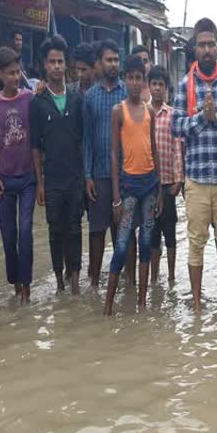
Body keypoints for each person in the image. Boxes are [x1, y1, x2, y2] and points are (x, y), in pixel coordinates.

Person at [171, 18, 217, 310]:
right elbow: (175, 128)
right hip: (197, 180)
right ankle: (199, 306)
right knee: (196, 243)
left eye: (211, 44)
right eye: (202, 45)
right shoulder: (183, 86)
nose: (207, 49)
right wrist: (203, 117)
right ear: (195, 48)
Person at [104, 54, 162, 316]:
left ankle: (141, 302)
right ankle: (107, 306)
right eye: (131, 78)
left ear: (145, 82)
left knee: (147, 240)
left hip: (150, 184)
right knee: (122, 243)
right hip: (128, 185)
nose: (136, 83)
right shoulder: (119, 111)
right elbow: (114, 154)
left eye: (140, 79)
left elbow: (154, 149)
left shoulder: (150, 111)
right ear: (125, 80)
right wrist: (116, 196)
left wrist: (159, 187)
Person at [30, 35, 85, 295]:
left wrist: (86, 177)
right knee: (55, 231)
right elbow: (35, 146)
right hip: (51, 179)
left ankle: (75, 280)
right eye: (51, 62)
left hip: (75, 177)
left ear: (67, 64)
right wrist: (40, 183)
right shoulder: (37, 102)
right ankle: (59, 282)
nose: (56, 67)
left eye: (60, 61)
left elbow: (83, 140)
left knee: (75, 228)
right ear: (44, 65)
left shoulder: (76, 99)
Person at [0, 46, 36, 303]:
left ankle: (26, 286)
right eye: (10, 73)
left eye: (18, 72)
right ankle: (15, 284)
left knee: (26, 230)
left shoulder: (29, 98)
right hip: (5, 178)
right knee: (8, 234)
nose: (15, 77)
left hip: (28, 177)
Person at [83, 39, 130, 289]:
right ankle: (93, 283)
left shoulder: (127, 93)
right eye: (108, 60)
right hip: (99, 175)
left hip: (126, 174)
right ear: (99, 63)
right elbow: (87, 140)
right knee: (97, 231)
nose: (113, 64)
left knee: (125, 233)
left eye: (116, 60)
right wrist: (87, 175)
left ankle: (129, 282)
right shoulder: (90, 97)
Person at [148, 65, 184, 284]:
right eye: (154, 84)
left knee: (170, 233)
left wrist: (179, 179)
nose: (158, 88)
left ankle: (170, 277)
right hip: (149, 183)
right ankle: (153, 278)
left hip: (169, 183)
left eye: (161, 84)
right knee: (152, 234)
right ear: (149, 86)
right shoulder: (143, 112)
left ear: (166, 88)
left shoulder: (172, 115)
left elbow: (177, 148)